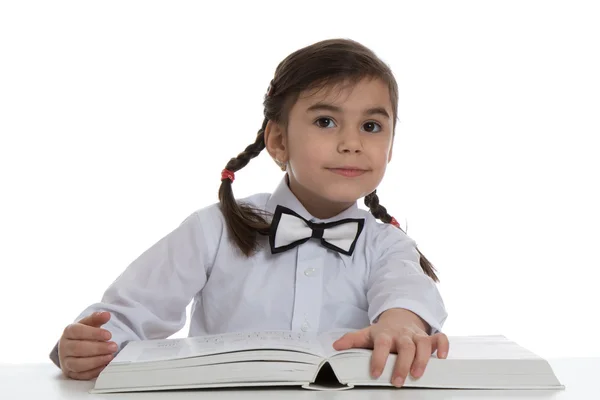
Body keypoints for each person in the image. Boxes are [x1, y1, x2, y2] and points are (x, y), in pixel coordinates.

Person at [50, 38, 449, 388]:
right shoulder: (215, 229)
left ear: (392, 146)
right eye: (326, 121)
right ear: (278, 140)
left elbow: (406, 294)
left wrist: (401, 325)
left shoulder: (389, 245)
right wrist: (89, 346)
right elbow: (128, 313)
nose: (351, 143)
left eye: (372, 126)